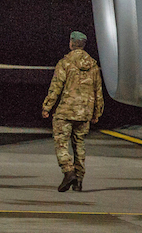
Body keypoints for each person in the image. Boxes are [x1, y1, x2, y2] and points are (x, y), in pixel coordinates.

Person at [42, 31, 104, 192]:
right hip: (84, 112)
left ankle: (68, 172)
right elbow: (98, 91)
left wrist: (47, 106)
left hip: (65, 111)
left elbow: (56, 87)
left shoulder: (65, 63)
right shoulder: (93, 65)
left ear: (71, 43)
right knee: (79, 145)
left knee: (61, 143)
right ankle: (79, 180)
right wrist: (97, 113)